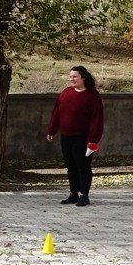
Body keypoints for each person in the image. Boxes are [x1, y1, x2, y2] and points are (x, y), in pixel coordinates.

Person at [46, 65, 104, 207]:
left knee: (83, 166)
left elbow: (97, 118)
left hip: (83, 138)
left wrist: (93, 140)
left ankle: (84, 195)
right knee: (71, 166)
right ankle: (73, 194)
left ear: (83, 77)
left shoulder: (92, 95)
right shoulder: (66, 93)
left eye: (75, 76)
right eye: (70, 76)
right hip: (66, 136)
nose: (71, 79)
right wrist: (52, 130)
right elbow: (57, 113)